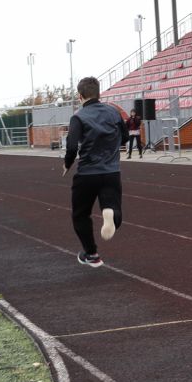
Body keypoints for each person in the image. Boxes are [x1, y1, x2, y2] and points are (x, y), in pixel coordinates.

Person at [62, 75, 127, 267]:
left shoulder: (78, 117)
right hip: (111, 172)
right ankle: (109, 213)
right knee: (114, 211)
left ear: (80, 95)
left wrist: (67, 164)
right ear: (98, 93)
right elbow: (124, 137)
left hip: (87, 174)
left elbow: (72, 147)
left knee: (80, 214)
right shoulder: (113, 112)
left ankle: (91, 254)